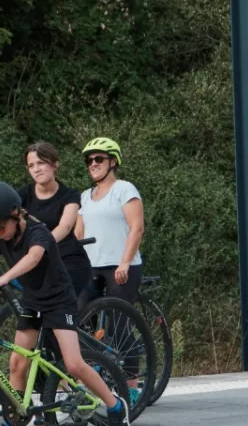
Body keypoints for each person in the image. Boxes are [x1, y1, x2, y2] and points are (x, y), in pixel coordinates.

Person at [0, 181, 130, 426]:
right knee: (17, 362)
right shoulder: (1, 236)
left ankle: (115, 405)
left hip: (58, 302)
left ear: (15, 215)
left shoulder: (37, 232)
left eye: (0, 228)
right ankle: (16, 417)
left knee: (74, 363)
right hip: (33, 302)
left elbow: (33, 258)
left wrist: (4, 278)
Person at [0, 141, 91, 297]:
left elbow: (65, 227)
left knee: (57, 307)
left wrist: (40, 244)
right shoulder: (25, 193)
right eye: (31, 165)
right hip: (38, 262)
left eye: (41, 163)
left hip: (67, 260)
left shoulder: (69, 195)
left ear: (55, 165)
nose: (36, 169)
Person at [75, 137, 145, 401]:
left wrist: (125, 261)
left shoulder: (124, 190)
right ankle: (91, 377)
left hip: (121, 265)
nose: (93, 164)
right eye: (89, 160)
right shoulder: (85, 196)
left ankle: (132, 386)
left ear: (112, 162)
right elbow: (78, 234)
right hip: (92, 266)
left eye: (99, 159)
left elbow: (137, 228)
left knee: (118, 324)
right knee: (77, 317)